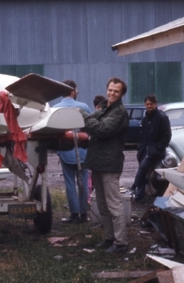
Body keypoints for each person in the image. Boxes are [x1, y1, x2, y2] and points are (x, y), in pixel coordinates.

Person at [79, 77, 129, 253]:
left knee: (114, 204)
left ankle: (121, 242)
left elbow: (102, 129)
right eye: (110, 89)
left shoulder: (119, 112)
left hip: (110, 165)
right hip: (98, 163)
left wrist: (83, 115)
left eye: (116, 91)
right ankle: (110, 238)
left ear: (122, 94)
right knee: (102, 205)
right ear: (107, 89)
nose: (112, 93)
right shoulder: (104, 108)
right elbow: (92, 126)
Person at [53, 80, 91, 223]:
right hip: (83, 151)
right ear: (73, 91)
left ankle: (74, 214)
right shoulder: (84, 107)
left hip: (65, 151)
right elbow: (90, 126)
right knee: (83, 182)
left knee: (70, 183)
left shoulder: (55, 108)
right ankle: (84, 213)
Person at [131, 95, 171, 202]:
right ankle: (139, 195)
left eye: (151, 104)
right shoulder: (145, 118)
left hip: (155, 150)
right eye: (147, 104)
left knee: (142, 168)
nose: (149, 106)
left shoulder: (162, 117)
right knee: (143, 170)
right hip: (145, 149)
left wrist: (158, 148)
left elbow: (166, 136)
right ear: (145, 105)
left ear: (155, 104)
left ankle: (133, 187)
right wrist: (141, 147)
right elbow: (144, 135)